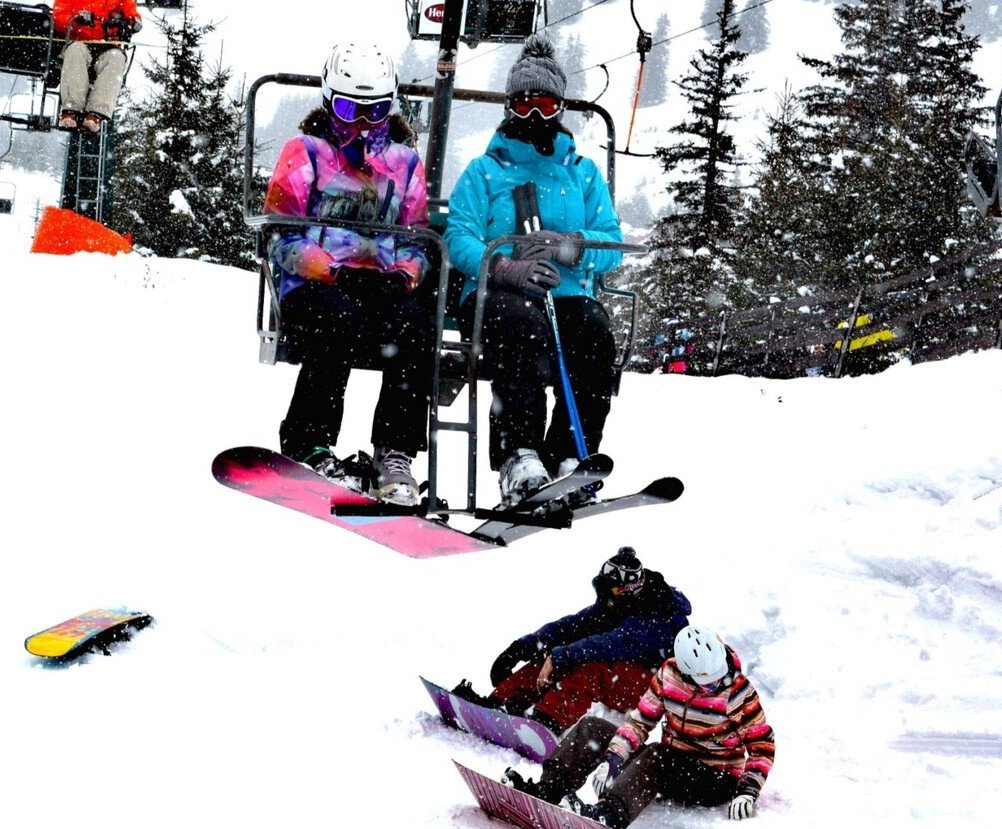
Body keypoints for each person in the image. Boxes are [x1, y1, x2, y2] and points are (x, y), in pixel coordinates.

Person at [446, 35, 626, 508]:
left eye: (545, 105)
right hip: (496, 296)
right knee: (521, 323)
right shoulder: (484, 171)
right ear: (509, 108)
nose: (534, 117)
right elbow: (459, 236)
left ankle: (569, 453)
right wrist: (503, 266)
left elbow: (612, 243)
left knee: (593, 330)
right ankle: (519, 455)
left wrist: (571, 248)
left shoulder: (583, 173)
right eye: (524, 105)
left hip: (562, 296)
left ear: (560, 109)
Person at [263, 42, 432, 506]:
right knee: (336, 319)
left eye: (374, 112)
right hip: (314, 285)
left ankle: (395, 452)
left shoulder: (404, 163)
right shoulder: (306, 152)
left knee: (415, 326)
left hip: (380, 285)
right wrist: (334, 272)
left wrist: (403, 276)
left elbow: (418, 238)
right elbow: (280, 234)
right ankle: (308, 440)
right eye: (347, 109)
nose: (361, 123)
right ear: (328, 101)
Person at [503, 626, 775, 826]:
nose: (716, 683)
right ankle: (549, 790)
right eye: (706, 679)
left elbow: (762, 745)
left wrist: (748, 790)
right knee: (593, 728)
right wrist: (613, 759)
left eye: (717, 675)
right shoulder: (669, 675)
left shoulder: (738, 693)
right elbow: (640, 721)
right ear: (685, 671)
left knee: (658, 754)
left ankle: (608, 815)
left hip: (714, 778)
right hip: (672, 766)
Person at [456, 547, 690, 731]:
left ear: (629, 589)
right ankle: (501, 702)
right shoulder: (617, 603)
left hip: (655, 690)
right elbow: (573, 626)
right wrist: (524, 647)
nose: (606, 597)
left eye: (612, 591)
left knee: (590, 666)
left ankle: (547, 722)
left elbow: (615, 643)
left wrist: (560, 656)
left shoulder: (661, 612)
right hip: (627, 673)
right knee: (560, 654)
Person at [52, 0, 141, 132]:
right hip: (80, 41)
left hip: (108, 45)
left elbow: (131, 14)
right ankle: (71, 110)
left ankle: (96, 114)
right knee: (75, 51)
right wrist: (76, 19)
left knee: (117, 57)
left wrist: (134, 22)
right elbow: (58, 17)